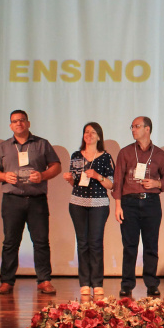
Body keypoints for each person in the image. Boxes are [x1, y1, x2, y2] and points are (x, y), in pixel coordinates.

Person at [0, 110, 62, 295]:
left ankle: (44, 281)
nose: (18, 123)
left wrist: (42, 175)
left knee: (41, 242)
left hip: (36, 200)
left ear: (28, 123)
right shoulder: (3, 147)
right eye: (14, 121)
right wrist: (4, 176)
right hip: (12, 200)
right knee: (10, 242)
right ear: (10, 125)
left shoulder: (41, 144)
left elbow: (56, 166)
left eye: (21, 120)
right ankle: (7, 281)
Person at [112, 116, 164, 298]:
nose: (133, 130)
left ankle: (151, 284)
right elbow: (118, 180)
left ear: (147, 129)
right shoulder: (125, 152)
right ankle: (127, 284)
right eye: (132, 127)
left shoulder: (160, 154)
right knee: (129, 246)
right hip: (129, 202)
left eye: (136, 126)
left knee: (151, 246)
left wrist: (156, 183)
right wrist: (117, 206)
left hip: (151, 203)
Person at [62, 122, 115, 297]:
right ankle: (84, 282)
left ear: (99, 136)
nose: (89, 135)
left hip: (98, 204)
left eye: (93, 132)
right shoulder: (76, 155)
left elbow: (111, 184)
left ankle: (97, 282)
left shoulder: (105, 157)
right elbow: (75, 182)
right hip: (77, 203)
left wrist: (98, 176)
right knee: (82, 243)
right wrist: (69, 179)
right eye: (86, 132)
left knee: (96, 243)